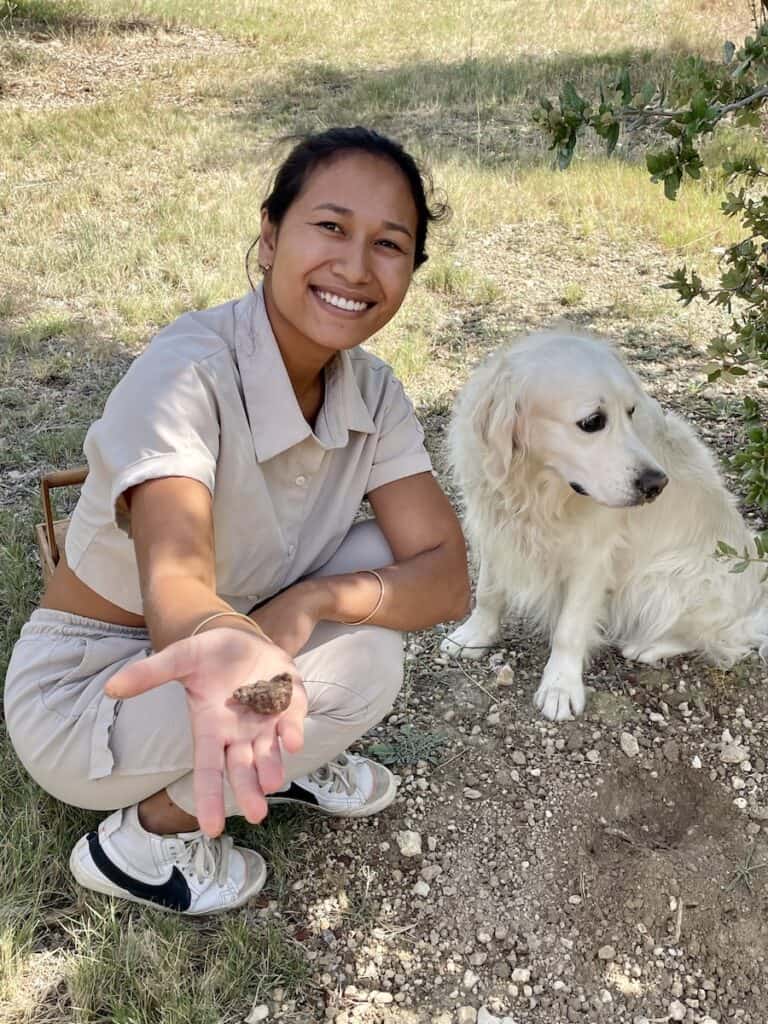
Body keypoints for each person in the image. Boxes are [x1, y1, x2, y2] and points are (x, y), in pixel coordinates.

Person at [4, 126, 470, 916]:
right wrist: (233, 646)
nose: (356, 267)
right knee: (365, 665)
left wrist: (314, 602)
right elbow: (176, 577)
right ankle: (144, 842)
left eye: (389, 244)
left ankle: (283, 754)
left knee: (377, 555)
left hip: (241, 616)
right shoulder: (186, 371)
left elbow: (447, 577)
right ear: (270, 235)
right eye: (331, 227)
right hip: (92, 692)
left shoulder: (373, 390)